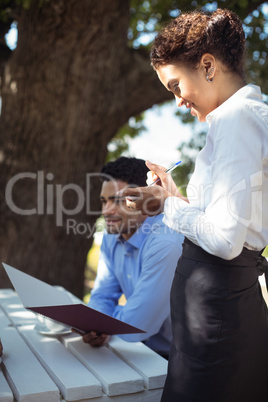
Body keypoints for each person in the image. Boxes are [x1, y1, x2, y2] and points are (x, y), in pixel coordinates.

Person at [121, 8, 268, 402]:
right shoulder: (235, 120)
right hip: (213, 312)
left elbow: (223, 241)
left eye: (174, 87)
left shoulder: (237, 120)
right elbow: (223, 220)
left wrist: (167, 204)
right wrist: (173, 194)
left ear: (207, 66)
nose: (177, 102)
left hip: (217, 316)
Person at [83, 156, 184, 358]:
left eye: (118, 201)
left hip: (180, 358)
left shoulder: (166, 241)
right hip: (138, 351)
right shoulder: (111, 237)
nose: (106, 211)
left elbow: (137, 325)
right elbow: (103, 295)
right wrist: (94, 325)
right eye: (104, 201)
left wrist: (104, 326)